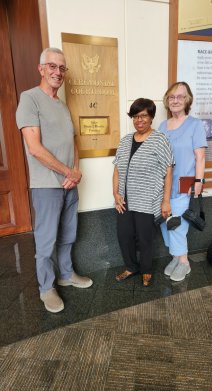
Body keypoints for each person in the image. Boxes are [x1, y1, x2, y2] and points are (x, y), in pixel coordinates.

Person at [16, 47, 93, 313]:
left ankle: (66, 274)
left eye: (62, 68)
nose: (57, 72)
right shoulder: (29, 99)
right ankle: (46, 288)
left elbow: (74, 141)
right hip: (47, 185)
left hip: (69, 184)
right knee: (46, 241)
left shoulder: (62, 105)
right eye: (52, 66)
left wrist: (76, 170)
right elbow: (35, 149)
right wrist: (67, 172)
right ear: (41, 69)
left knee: (68, 234)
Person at [113, 98, 174, 286]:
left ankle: (146, 269)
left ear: (152, 117)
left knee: (145, 238)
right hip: (125, 200)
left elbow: (168, 170)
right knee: (124, 236)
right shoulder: (125, 141)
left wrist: (166, 201)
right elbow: (116, 169)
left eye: (144, 116)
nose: (139, 120)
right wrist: (115, 194)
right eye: (135, 116)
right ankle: (131, 266)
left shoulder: (159, 140)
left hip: (148, 200)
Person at [159, 81, 207, 282]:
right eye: (172, 97)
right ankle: (176, 257)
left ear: (187, 100)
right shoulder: (163, 125)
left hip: (184, 183)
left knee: (177, 225)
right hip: (163, 185)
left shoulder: (195, 125)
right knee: (165, 223)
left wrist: (197, 184)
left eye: (180, 96)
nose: (176, 100)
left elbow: (200, 157)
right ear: (167, 101)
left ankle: (185, 262)